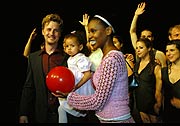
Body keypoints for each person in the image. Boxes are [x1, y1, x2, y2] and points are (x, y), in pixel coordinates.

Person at [63, 14, 135, 123]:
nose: (90, 36)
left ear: (108, 31)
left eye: (93, 31)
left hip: (116, 120)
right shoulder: (108, 57)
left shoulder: (111, 59)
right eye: (89, 32)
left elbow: (98, 101)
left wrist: (69, 96)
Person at [18, 13, 69, 123]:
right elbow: (28, 87)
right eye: (49, 29)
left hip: (64, 115)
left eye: (56, 30)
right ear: (43, 31)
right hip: (41, 116)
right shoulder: (33, 58)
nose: (51, 33)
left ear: (60, 34)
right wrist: (23, 113)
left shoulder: (68, 58)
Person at [58, 30, 96, 123]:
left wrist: (77, 86)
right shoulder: (70, 59)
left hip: (82, 86)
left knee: (67, 108)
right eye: (67, 46)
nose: (69, 48)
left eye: (72, 46)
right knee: (62, 108)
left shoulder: (81, 58)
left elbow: (87, 75)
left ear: (80, 47)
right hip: (75, 86)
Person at [129, 2, 167, 68]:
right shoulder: (137, 48)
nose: (146, 38)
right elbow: (132, 32)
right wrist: (136, 15)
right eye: (143, 36)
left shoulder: (159, 54)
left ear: (152, 38)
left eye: (148, 36)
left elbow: (164, 74)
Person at [134, 38, 162, 123]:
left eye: (141, 48)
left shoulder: (155, 66)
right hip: (140, 102)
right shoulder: (136, 65)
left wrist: (158, 104)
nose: (138, 50)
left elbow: (159, 90)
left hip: (152, 104)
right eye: (137, 48)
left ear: (149, 48)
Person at [161, 39, 180, 123]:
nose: (168, 53)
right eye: (166, 51)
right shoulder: (163, 71)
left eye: (172, 50)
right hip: (168, 115)